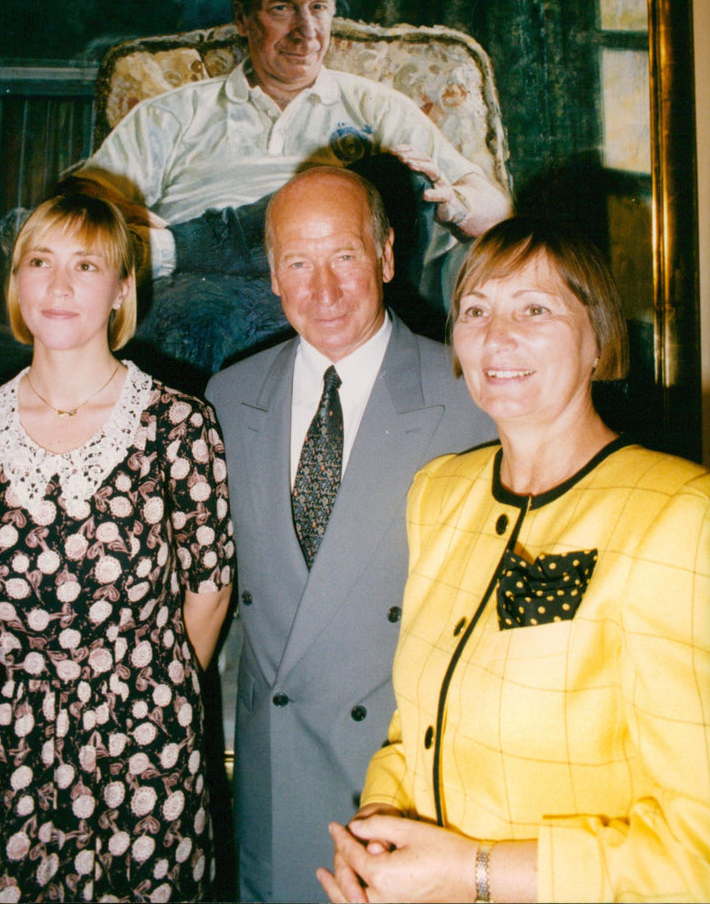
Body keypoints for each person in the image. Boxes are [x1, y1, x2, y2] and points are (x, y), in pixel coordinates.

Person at [317, 217, 710, 904]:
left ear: (597, 337)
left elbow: (702, 857)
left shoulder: (683, 515)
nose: (496, 338)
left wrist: (472, 872)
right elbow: (416, 723)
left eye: (534, 309)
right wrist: (384, 821)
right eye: (476, 310)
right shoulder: (439, 494)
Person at [0, 190, 235, 902]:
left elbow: (209, 593)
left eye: (87, 265)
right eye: (40, 261)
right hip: (3, 750)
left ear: (123, 287)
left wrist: (139, 697)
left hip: (147, 753)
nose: (59, 285)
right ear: (17, 282)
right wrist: (39, 695)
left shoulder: (180, 426)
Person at [204, 166, 496, 902]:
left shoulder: (470, 399)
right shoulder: (229, 399)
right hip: (274, 798)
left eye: (344, 257)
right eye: (298, 263)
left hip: (409, 798)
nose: (323, 290)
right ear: (273, 274)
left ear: (388, 257)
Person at [79, 0, 511, 372]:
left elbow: (497, 207)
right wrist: (123, 209)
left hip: (336, 281)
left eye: (319, 8)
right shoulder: (175, 113)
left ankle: (176, 247)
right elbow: (79, 195)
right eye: (282, 8)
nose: (306, 30)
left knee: (391, 174)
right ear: (243, 17)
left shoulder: (378, 108)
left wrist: (456, 203)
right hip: (209, 292)